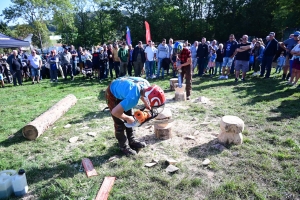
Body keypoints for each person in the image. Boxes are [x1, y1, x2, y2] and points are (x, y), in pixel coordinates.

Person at [105, 77, 166, 156]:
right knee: (119, 122)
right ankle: (123, 146)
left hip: (122, 87)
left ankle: (132, 140)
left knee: (129, 114)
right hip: (112, 94)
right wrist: (127, 118)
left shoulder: (146, 84)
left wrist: (146, 103)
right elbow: (115, 112)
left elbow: (142, 93)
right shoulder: (133, 98)